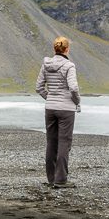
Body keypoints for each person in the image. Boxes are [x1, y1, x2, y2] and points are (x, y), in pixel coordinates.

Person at [35, 36, 81, 188]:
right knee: (64, 143)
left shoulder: (46, 65)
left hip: (50, 108)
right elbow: (73, 88)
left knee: (51, 142)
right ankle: (61, 180)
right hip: (66, 109)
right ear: (67, 49)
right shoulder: (69, 66)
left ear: (55, 49)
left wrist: (50, 98)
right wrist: (76, 101)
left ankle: (51, 179)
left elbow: (39, 87)